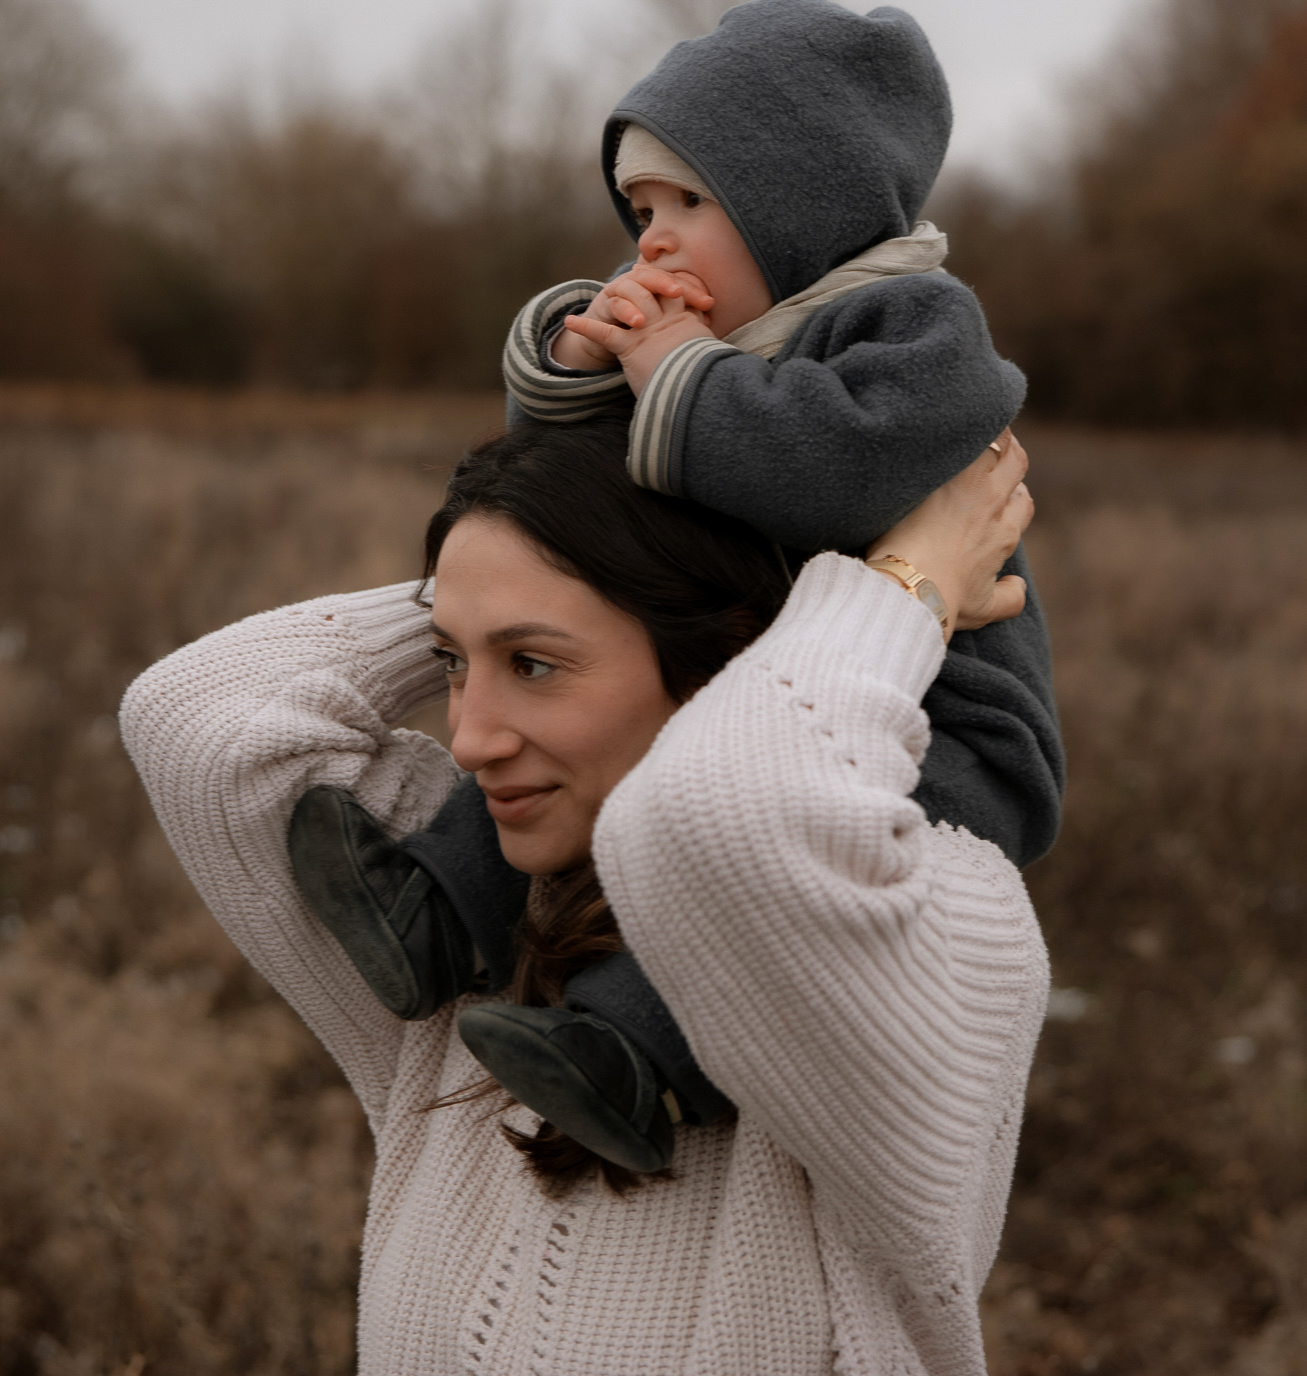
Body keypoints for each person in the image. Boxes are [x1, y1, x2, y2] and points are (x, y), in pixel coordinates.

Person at [289, 0, 1062, 1168]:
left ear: (802, 213)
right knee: (543, 726)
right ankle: (431, 913)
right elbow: (566, 505)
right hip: (780, 676)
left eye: (687, 204)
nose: (650, 239)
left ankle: (638, 1061)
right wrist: (575, 363)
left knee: (740, 850)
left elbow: (821, 471)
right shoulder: (724, 348)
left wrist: (674, 371)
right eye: (638, 207)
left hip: (946, 732)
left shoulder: (914, 329)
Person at [120, 416, 1048, 1376]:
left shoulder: (949, 927)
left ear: (727, 662)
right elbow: (198, 721)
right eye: (451, 662)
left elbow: (722, 817)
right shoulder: (466, 940)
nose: (472, 738)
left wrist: (891, 590)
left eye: (533, 665)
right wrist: (510, 553)